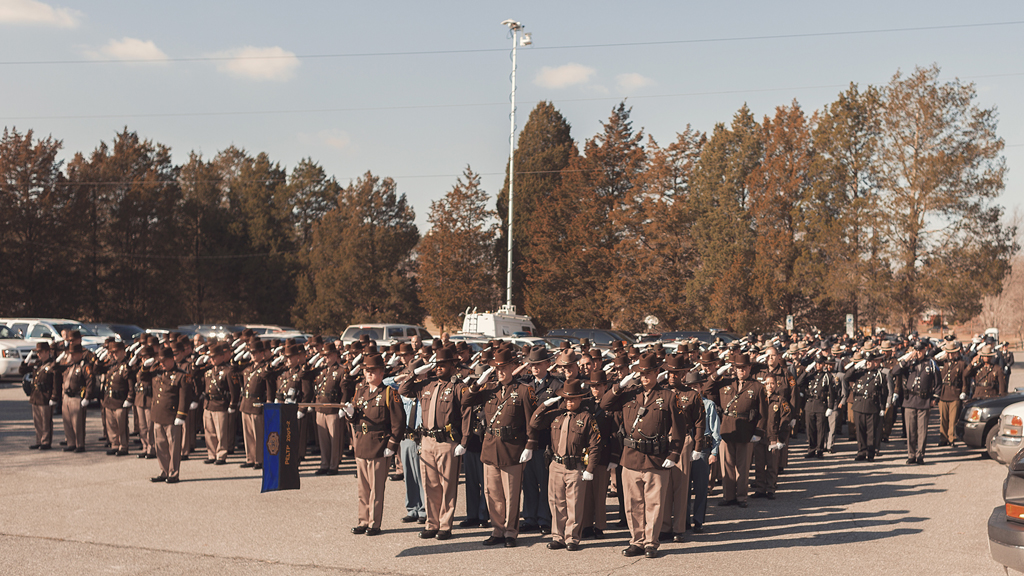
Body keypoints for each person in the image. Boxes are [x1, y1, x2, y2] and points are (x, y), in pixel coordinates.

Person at [600, 352, 686, 559]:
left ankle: (651, 542)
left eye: (649, 373)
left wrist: (674, 454)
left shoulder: (668, 396)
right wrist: (619, 386)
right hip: (630, 456)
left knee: (654, 504)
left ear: (657, 372)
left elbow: (679, 428)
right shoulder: (629, 394)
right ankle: (636, 541)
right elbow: (604, 405)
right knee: (633, 503)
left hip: (656, 457)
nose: (645, 377)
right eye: (642, 373)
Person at [462, 347, 538, 548]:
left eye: (504, 367)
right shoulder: (489, 389)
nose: (501, 371)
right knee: (492, 493)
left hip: (512, 448)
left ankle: (511, 532)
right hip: (490, 448)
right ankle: (497, 529)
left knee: (511, 495)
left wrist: (530, 445)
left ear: (513, 367)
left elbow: (532, 421)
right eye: (497, 368)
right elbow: (465, 400)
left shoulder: (523, 390)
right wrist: (478, 382)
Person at [399, 347, 469, 540]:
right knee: (430, 485)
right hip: (427, 440)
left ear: (452, 365)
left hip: (447, 442)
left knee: (447, 486)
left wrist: (463, 441)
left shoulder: (458, 387)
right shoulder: (426, 385)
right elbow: (403, 390)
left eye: (443, 365)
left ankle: (445, 526)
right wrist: (415, 373)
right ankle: (432, 523)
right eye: (436, 365)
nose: (439, 368)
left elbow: (466, 415)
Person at [529, 378, 602, 551]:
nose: (569, 402)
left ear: (580, 399)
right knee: (556, 502)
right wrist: (545, 405)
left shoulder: (586, 418)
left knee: (574, 504)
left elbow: (595, 445)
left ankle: (572, 538)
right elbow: (534, 423)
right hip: (556, 464)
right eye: (567, 398)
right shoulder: (556, 414)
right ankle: (558, 536)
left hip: (575, 466)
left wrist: (590, 469)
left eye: (573, 398)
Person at [342, 354, 406, 536]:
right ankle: (363, 521)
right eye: (366, 371)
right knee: (363, 489)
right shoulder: (360, 391)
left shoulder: (388, 392)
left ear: (381, 372)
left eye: (372, 371)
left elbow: (398, 422)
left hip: (379, 446)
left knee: (376, 489)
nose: (369, 374)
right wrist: (350, 413)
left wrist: (392, 445)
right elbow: (355, 418)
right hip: (362, 444)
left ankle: (374, 523)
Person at [660, 353, 706, 543]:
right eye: (670, 373)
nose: (672, 376)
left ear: (683, 373)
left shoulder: (692, 395)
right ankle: (664, 527)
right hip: (663, 440)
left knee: (680, 486)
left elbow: (699, 423)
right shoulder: (660, 393)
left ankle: (679, 527)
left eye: (676, 373)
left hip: (684, 440)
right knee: (662, 486)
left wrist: (697, 446)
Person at [520, 347, 562, 534]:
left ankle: (545, 518)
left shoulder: (556, 386)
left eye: (538, 364)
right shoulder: (525, 383)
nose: (535, 368)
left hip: (545, 440)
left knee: (545, 482)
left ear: (547, 364)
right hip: (528, 440)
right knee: (528, 481)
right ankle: (529, 518)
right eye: (532, 365)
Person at [716, 353, 767, 508]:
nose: (741, 371)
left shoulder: (757, 387)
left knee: (743, 467)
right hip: (727, 429)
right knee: (727, 465)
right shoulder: (725, 383)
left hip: (746, 430)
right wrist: (717, 373)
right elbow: (707, 388)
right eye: (738, 368)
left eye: (744, 368)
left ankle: (741, 497)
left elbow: (763, 412)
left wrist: (758, 432)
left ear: (749, 368)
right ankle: (728, 496)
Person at [892, 342, 939, 465]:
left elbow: (938, 383)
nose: (917, 353)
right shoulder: (908, 363)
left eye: (919, 351)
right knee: (910, 430)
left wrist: (935, 399)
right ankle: (911, 455)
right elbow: (894, 372)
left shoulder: (931, 363)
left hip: (924, 400)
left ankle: (920, 455)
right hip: (909, 400)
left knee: (922, 431)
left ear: (924, 350)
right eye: (915, 350)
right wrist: (906, 359)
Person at [150, 347, 190, 483]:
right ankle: (164, 471)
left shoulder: (182, 375)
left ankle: (173, 473)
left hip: (172, 416)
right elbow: (141, 377)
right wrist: (147, 365)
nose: (162, 364)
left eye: (164, 361)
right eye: (160, 361)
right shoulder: (157, 373)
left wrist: (181, 415)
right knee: (160, 445)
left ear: (172, 359)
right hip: (158, 415)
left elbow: (185, 397)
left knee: (173, 447)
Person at [239, 339, 274, 470]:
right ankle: (250, 458)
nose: (254, 355)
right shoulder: (248, 368)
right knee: (248, 434)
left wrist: (269, 401)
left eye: (256, 353)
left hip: (257, 404)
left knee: (258, 435)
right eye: (252, 353)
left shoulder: (265, 368)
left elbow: (269, 387)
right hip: (246, 403)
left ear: (262, 353)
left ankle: (259, 460)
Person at [313, 343, 347, 475]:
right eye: (324, 356)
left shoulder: (341, 371)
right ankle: (324, 463)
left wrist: (342, 405)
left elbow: (344, 390)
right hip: (320, 408)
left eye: (327, 356)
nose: (325, 358)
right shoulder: (322, 371)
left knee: (334, 439)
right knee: (323, 440)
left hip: (333, 409)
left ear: (334, 355)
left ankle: (333, 465)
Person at [201, 343, 237, 465]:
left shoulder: (228, 371)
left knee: (221, 432)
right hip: (209, 404)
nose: (212, 360)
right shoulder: (208, 371)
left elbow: (234, 390)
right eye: (211, 357)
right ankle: (211, 454)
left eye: (214, 357)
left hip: (221, 404)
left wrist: (233, 404)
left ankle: (221, 455)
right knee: (209, 431)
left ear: (222, 356)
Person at [20, 341, 59, 450]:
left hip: (46, 396)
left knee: (46, 421)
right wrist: (27, 359)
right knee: (37, 422)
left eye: (40, 352)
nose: (38, 354)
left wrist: (54, 397)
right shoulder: (37, 363)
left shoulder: (52, 364)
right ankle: (39, 440)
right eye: (37, 352)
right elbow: (22, 370)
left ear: (47, 352)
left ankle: (46, 442)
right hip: (36, 396)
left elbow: (56, 382)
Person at [98, 341, 135, 456]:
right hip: (109, 399)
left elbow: (131, 385)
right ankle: (115, 444)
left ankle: (123, 446)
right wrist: (99, 360)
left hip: (120, 400)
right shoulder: (111, 365)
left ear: (123, 352)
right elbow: (96, 370)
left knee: (121, 425)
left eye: (116, 352)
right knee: (111, 425)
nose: (114, 355)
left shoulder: (126, 366)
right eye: (112, 353)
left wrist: (129, 398)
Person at [797, 351, 835, 459]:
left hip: (821, 404)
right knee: (810, 429)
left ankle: (819, 449)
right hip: (809, 404)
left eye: (820, 363)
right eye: (816, 363)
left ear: (823, 364)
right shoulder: (810, 375)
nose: (818, 365)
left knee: (820, 429)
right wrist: (806, 371)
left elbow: (831, 392)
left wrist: (830, 406)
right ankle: (811, 449)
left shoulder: (827, 376)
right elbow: (798, 383)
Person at [60, 343, 93, 453]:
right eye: (71, 354)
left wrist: (87, 397)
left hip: (77, 397)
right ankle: (71, 443)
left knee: (77, 423)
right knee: (67, 422)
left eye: (74, 354)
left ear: (80, 354)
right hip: (67, 397)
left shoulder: (84, 366)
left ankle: (79, 444)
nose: (72, 356)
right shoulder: (70, 365)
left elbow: (90, 382)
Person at [934, 340, 968, 447]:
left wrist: (963, 392)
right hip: (943, 393)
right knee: (943, 418)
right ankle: (943, 438)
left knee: (953, 419)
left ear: (956, 353)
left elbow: (964, 380)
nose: (950, 355)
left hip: (955, 393)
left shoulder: (961, 364)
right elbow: (931, 358)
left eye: (952, 352)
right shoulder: (941, 363)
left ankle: (952, 438)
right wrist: (941, 353)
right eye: (948, 352)